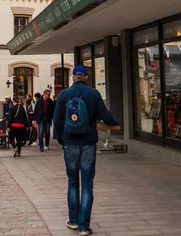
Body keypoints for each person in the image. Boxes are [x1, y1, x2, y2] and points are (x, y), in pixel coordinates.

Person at [53, 66, 119, 235]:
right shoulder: (93, 94)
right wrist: (115, 123)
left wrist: (62, 139)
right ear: (86, 77)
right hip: (88, 142)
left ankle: (73, 221)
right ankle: (84, 226)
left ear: (73, 77)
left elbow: (57, 119)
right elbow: (104, 114)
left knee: (73, 182)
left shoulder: (64, 94)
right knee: (88, 184)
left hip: (70, 143)